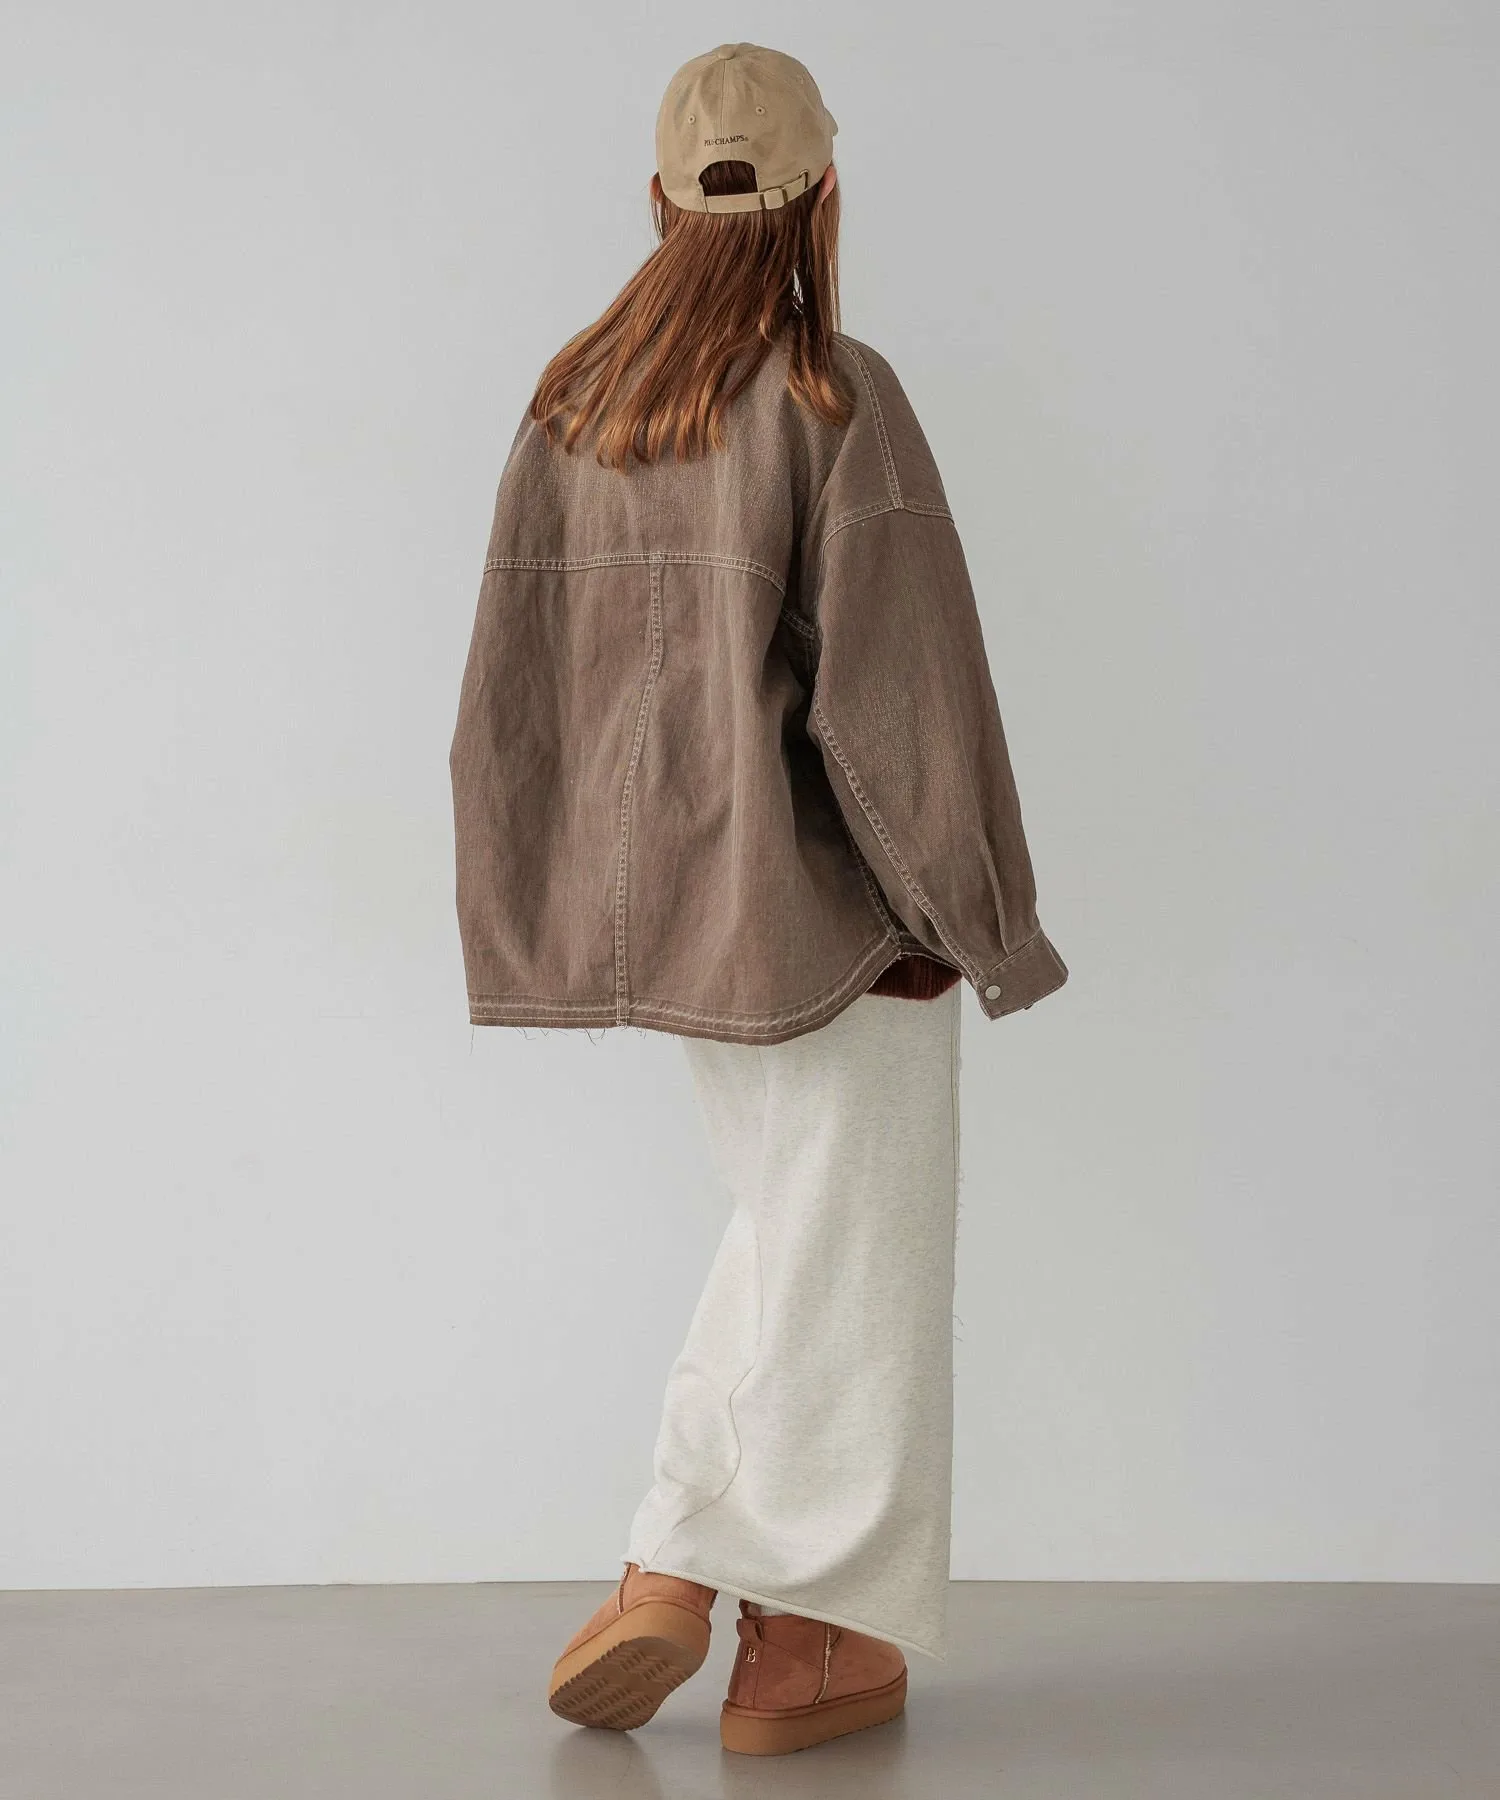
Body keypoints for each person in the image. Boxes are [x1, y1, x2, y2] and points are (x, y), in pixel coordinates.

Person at [448, 41, 1068, 1758]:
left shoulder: (573, 407)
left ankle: (672, 1567)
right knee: (861, 1271)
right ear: (825, 197)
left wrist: (560, 904)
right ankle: (795, 1640)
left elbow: (509, 697)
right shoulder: (832, 396)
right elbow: (902, 695)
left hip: (681, 926)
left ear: (657, 203)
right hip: (841, 920)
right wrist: (973, 921)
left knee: (791, 1232)